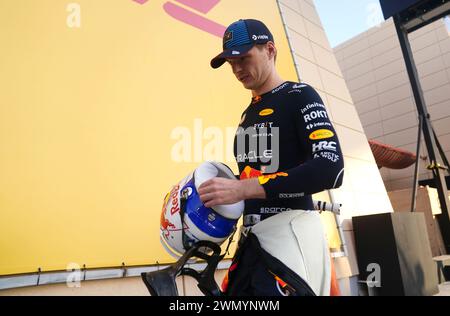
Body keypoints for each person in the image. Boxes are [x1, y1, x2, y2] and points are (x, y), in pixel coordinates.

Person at [198, 19, 344, 296]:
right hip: (253, 244)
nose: (237, 68)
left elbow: (331, 167)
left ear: (270, 49)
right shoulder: (247, 114)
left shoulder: (299, 95)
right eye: (231, 62)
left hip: (291, 238)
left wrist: (242, 188)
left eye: (244, 57)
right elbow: (252, 181)